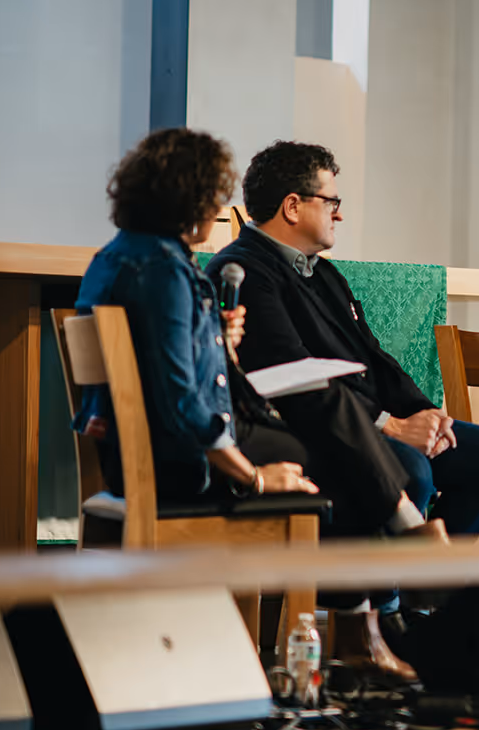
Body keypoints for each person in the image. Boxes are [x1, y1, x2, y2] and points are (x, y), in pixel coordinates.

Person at [74, 128, 436, 540]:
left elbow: (157, 356)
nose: (218, 210)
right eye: (214, 194)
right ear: (186, 196)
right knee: (349, 460)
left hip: (141, 450)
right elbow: (182, 400)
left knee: (340, 420)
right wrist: (254, 478)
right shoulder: (163, 271)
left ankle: (392, 560)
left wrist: (211, 334)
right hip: (180, 460)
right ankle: (378, 582)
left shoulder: (117, 256)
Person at [205, 141, 479, 541]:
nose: (340, 213)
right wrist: (387, 425)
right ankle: (383, 593)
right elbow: (293, 380)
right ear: (292, 207)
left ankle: (426, 590)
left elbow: (374, 357)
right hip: (311, 429)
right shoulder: (243, 271)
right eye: (330, 201)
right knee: (411, 469)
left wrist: (426, 414)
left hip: (363, 418)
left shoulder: (324, 273)